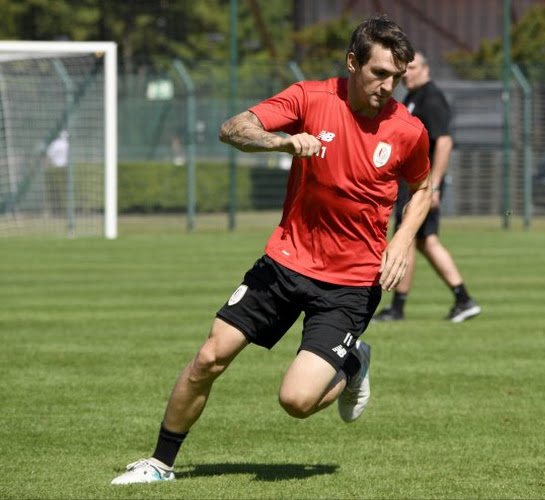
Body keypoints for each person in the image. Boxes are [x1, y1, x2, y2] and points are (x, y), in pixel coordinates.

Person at [111, 15, 432, 485]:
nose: (388, 86)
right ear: (351, 62)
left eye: (396, 77)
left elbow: (423, 189)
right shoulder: (309, 97)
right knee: (208, 358)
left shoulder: (408, 130)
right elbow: (233, 128)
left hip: (350, 283)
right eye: (379, 73)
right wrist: (282, 142)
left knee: (297, 402)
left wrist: (402, 240)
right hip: (285, 262)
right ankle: (160, 463)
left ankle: (353, 361)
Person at [373, 51, 480, 323]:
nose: (406, 73)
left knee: (409, 239)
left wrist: (433, 186)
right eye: (403, 69)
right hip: (414, 184)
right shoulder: (413, 97)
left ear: (426, 68)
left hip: (421, 187)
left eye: (412, 67)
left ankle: (399, 307)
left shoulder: (431, 98)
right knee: (423, 241)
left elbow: (444, 142)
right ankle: (462, 298)